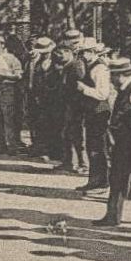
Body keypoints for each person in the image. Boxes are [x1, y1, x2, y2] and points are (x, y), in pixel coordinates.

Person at [97, 57, 131, 226]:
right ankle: (113, 216)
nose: (111, 80)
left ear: (120, 75)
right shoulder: (124, 87)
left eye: (112, 76)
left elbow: (128, 112)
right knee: (117, 177)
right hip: (122, 140)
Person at [75, 38, 113, 193]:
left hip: (99, 112)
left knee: (99, 147)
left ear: (94, 52)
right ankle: (94, 180)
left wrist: (84, 89)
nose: (84, 55)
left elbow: (103, 94)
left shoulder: (100, 69)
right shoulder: (89, 66)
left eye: (87, 51)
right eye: (83, 52)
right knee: (92, 146)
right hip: (91, 112)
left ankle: (102, 182)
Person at [57, 29, 89, 177]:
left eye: (63, 52)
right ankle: (69, 162)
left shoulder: (77, 65)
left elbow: (80, 85)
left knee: (78, 135)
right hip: (69, 104)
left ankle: (83, 164)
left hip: (77, 105)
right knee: (68, 133)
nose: (59, 55)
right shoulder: (67, 66)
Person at [26, 36, 61, 161]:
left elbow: (59, 81)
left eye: (46, 52)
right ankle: (44, 150)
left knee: (55, 124)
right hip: (40, 98)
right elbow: (34, 80)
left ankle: (56, 152)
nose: (44, 54)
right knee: (42, 124)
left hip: (55, 98)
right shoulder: (38, 63)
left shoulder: (57, 62)